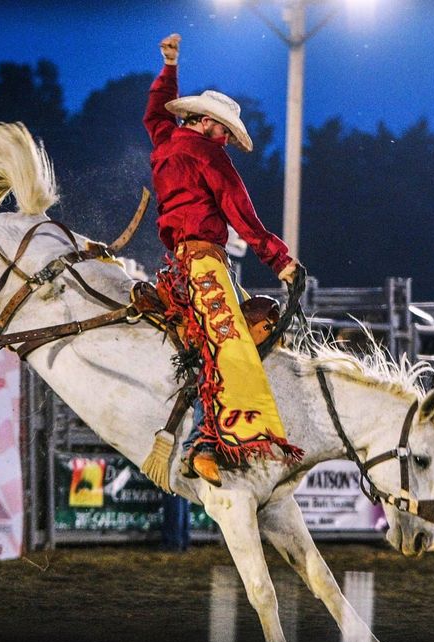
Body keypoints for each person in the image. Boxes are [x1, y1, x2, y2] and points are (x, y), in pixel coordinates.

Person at [144, 33, 303, 488]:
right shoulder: (207, 155)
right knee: (229, 344)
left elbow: (155, 112)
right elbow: (241, 212)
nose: (228, 140)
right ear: (206, 122)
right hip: (206, 264)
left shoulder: (165, 141)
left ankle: (227, 435)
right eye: (225, 131)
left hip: (178, 263)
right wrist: (280, 261)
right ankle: (204, 443)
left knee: (225, 338)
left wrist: (169, 68)